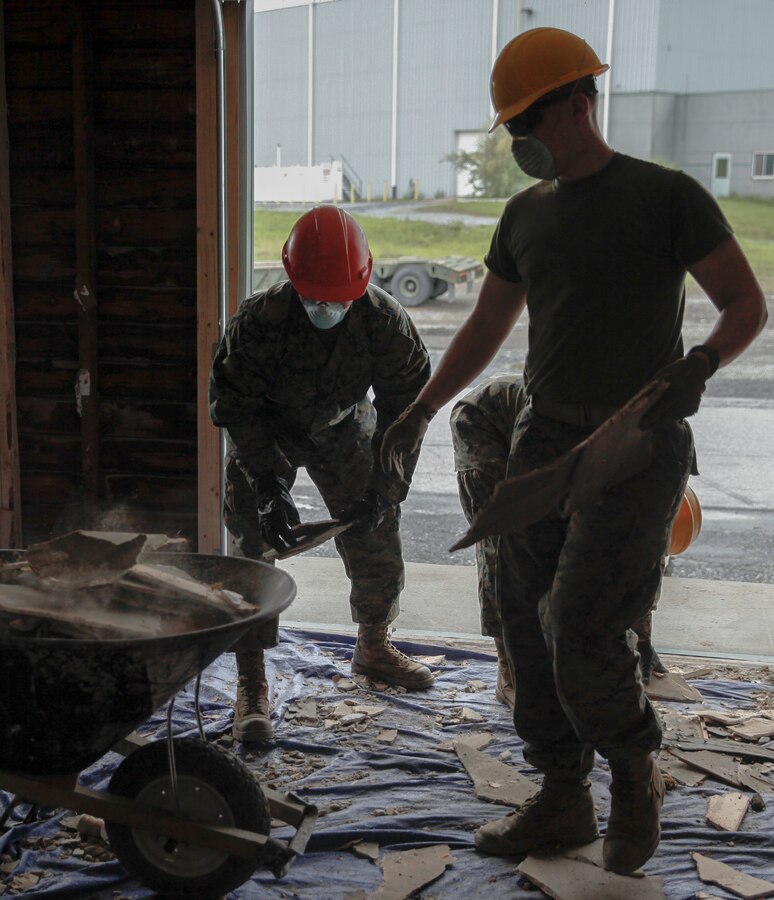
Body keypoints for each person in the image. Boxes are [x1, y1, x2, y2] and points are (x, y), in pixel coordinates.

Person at [381, 27, 766, 874]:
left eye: (527, 118)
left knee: (583, 624)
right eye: (511, 124)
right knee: (525, 625)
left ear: (577, 103)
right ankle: (562, 795)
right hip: (544, 438)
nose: (519, 140)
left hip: (636, 437)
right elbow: (487, 325)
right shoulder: (524, 215)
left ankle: (633, 775)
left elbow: (745, 303)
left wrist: (699, 363)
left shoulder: (666, 197)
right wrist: (422, 405)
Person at [209, 205, 435, 744]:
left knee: (376, 528)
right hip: (270, 429)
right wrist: (266, 481)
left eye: (338, 300)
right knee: (249, 547)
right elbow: (234, 404)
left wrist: (388, 483)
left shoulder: (384, 321)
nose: (326, 308)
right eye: (315, 299)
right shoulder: (259, 322)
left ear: (361, 283)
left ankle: (374, 645)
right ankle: (252, 679)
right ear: (292, 279)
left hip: (344, 425)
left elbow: (409, 408)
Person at [450, 373, 679, 710]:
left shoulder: (660, 458)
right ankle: (509, 665)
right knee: (506, 545)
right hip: (487, 423)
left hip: (574, 450)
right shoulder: (602, 443)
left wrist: (641, 641)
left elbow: (644, 559)